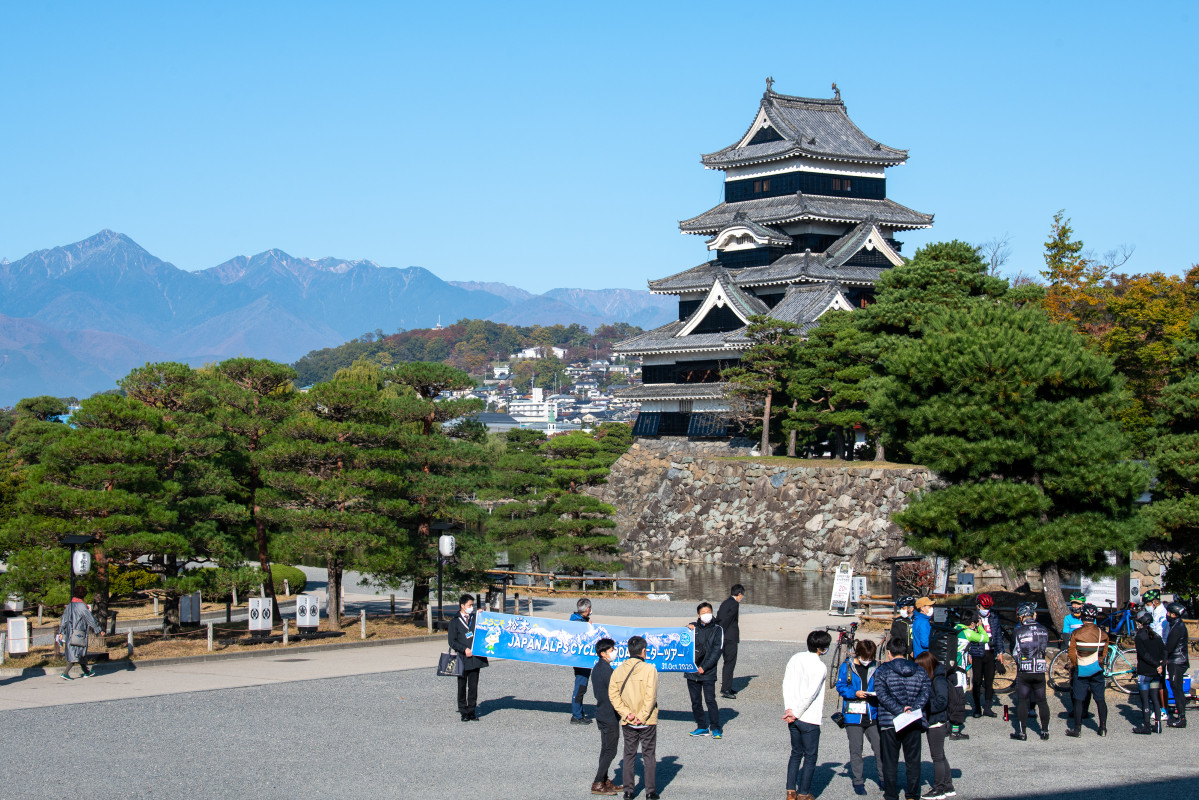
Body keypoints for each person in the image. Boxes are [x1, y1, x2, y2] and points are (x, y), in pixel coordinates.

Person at [874, 636, 932, 800]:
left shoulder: (883, 670)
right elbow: (925, 692)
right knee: (913, 760)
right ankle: (912, 794)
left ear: (889, 653)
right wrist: (912, 709)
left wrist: (899, 709)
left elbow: (882, 695)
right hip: (913, 719)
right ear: (906, 653)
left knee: (890, 760)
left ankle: (891, 794)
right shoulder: (919, 670)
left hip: (890, 720)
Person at [609, 635, 660, 800]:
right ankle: (650, 792)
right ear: (643, 651)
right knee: (649, 755)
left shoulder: (618, 670)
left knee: (629, 755)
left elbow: (613, 694)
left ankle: (628, 791)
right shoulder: (649, 669)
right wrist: (643, 715)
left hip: (628, 720)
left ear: (628, 651)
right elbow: (650, 696)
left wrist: (626, 713)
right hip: (647, 720)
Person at [783, 629, 831, 800]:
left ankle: (790, 790)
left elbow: (786, 683)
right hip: (808, 716)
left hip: (792, 714)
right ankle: (803, 793)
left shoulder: (796, 658)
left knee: (796, 752)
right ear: (821, 648)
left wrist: (789, 709)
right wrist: (796, 712)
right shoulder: (820, 666)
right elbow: (811, 694)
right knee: (810, 756)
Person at [835, 638, 881, 797]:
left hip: (872, 713)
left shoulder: (876, 666)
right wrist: (854, 693)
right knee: (856, 749)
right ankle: (858, 781)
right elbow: (840, 687)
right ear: (858, 653)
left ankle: (884, 779)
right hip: (853, 715)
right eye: (865, 657)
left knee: (880, 748)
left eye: (870, 658)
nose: (868, 661)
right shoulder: (847, 666)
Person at [914, 651, 955, 800]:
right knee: (941, 755)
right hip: (935, 721)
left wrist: (925, 706)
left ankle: (939, 789)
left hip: (937, 721)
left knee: (936, 757)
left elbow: (942, 701)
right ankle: (948, 785)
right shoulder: (935, 678)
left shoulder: (938, 680)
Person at [1009, 601, 1051, 741]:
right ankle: (1044, 731)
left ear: (1021, 617)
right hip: (1039, 668)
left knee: (1022, 700)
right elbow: (1044, 649)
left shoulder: (1018, 631)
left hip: (1024, 669)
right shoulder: (1044, 629)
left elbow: (1013, 650)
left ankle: (1022, 732)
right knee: (1042, 701)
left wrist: (1020, 661)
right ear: (1033, 615)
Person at [1066, 603, 1109, 737]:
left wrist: (1076, 664)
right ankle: (1102, 728)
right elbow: (1104, 653)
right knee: (1100, 699)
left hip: (1081, 668)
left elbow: (1071, 652)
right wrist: (1098, 662)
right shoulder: (1103, 634)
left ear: (1083, 616)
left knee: (1079, 700)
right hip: (1097, 668)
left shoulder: (1077, 632)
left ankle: (1077, 729)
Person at [685, 601, 725, 738]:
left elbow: (716, 651)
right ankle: (701, 726)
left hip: (708, 672)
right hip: (692, 671)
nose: (706, 615)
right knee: (695, 701)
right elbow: (683, 642)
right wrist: (686, 629)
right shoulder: (693, 627)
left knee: (710, 700)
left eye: (708, 612)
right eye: (703, 613)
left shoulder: (717, 629)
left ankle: (715, 727)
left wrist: (705, 667)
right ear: (698, 614)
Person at [590, 638, 623, 795]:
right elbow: (616, 692)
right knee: (610, 750)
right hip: (609, 714)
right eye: (611, 651)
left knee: (605, 749)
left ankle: (603, 779)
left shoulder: (597, 668)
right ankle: (598, 782)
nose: (614, 653)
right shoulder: (606, 671)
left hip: (602, 712)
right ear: (603, 653)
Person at [948, 610, 988, 739]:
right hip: (960, 670)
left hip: (951, 668)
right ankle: (955, 730)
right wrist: (980, 627)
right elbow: (985, 638)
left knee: (951, 697)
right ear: (971, 623)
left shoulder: (956, 628)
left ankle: (948, 727)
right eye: (975, 623)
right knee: (959, 699)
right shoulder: (968, 632)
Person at [448, 593, 488, 721]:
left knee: (473, 686)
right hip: (462, 657)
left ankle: (472, 710)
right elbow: (452, 641)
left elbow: (485, 626)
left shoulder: (475, 618)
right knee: (461, 685)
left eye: (472, 605)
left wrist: (482, 614)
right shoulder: (454, 621)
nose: (471, 607)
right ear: (462, 606)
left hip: (475, 657)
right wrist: (464, 649)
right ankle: (463, 711)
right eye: (469, 605)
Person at [969, 593, 1005, 717]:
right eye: (984, 608)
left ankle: (988, 707)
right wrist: (968, 653)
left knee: (989, 681)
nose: (986, 610)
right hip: (977, 652)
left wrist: (1000, 652)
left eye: (988, 608)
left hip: (990, 652)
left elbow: (998, 635)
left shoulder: (994, 617)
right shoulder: (973, 617)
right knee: (977, 681)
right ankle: (977, 708)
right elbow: (967, 635)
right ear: (978, 606)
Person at [1131, 609, 1165, 735]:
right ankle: (1158, 724)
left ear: (1141, 623)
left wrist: (1156, 664)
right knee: (1155, 697)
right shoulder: (1156, 635)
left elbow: (1143, 654)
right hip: (1156, 673)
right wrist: (1161, 665)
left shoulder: (1139, 636)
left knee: (1145, 699)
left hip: (1145, 672)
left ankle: (1146, 725)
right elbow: (1164, 652)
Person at [57, 585, 101, 680]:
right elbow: (90, 618)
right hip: (79, 631)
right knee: (77, 652)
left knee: (78, 653)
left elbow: (64, 619)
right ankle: (65, 673)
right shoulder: (82, 606)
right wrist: (98, 628)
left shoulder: (70, 605)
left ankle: (86, 672)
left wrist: (61, 631)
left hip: (69, 632)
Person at [1060, 593, 1087, 718]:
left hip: (1087, 654)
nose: (1075, 606)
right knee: (1073, 682)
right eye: (1073, 604)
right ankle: (1075, 709)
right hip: (1074, 653)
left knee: (1087, 683)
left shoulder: (1088, 617)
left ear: (1083, 605)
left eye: (1078, 604)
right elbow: (1066, 635)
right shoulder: (1068, 619)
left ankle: (1085, 709)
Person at [1164, 601, 1190, 728]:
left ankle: (1182, 718)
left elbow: (1169, 648)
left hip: (1177, 662)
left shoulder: (1177, 628)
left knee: (1177, 690)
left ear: (1174, 615)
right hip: (1177, 661)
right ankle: (1179, 712)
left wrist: (1162, 660)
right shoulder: (1176, 625)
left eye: (1169, 613)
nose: (1167, 615)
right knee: (1176, 689)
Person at [716, 584, 744, 699]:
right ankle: (726, 689)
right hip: (730, 637)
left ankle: (727, 686)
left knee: (726, 662)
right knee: (729, 663)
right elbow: (728, 620)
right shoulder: (734, 604)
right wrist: (721, 633)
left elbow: (720, 618)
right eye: (742, 596)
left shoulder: (725, 602)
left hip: (723, 636)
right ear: (739, 594)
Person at [571, 598, 596, 725]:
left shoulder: (575, 619)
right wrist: (589, 628)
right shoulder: (579, 624)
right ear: (587, 610)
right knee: (580, 687)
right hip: (581, 660)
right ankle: (576, 715)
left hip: (580, 659)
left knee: (581, 686)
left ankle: (579, 712)